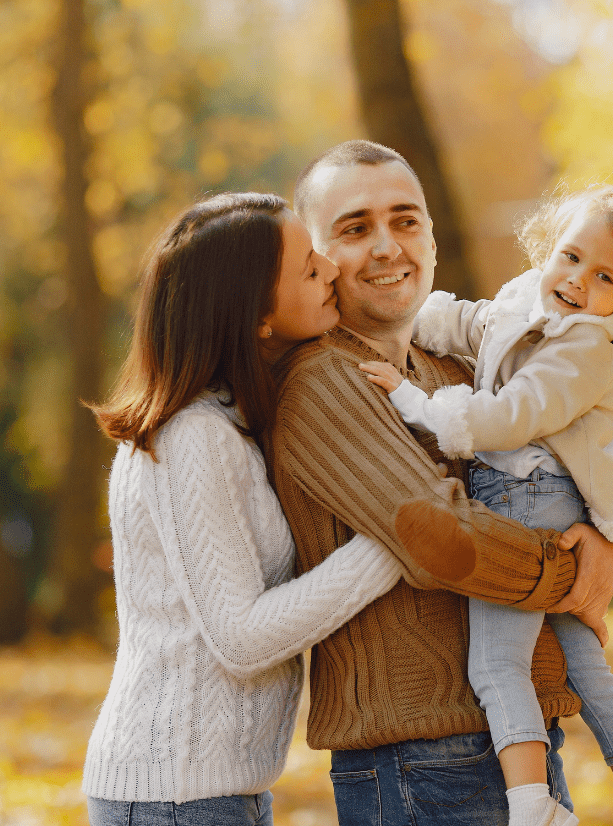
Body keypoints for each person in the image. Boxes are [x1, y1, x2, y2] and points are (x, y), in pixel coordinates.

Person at [268, 140, 613, 826]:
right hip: (418, 762)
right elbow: (446, 540)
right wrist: (575, 572)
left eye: (405, 221)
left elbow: (573, 470)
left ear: (431, 238)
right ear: (316, 259)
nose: (387, 246)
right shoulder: (325, 382)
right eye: (355, 228)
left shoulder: (456, 373)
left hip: (510, 743)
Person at [360, 184, 613, 826]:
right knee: (581, 663)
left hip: (529, 493)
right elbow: (471, 322)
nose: (576, 282)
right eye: (569, 257)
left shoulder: (588, 347)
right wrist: (404, 320)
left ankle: (532, 806)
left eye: (604, 277)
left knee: (495, 663)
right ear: (550, 245)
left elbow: (517, 414)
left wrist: (417, 403)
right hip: (539, 492)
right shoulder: (527, 297)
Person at [82, 192, 417, 826]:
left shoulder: (222, 424)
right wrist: (396, 541)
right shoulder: (193, 439)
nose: (331, 271)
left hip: (205, 790)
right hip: (176, 797)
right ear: (254, 314)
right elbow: (241, 636)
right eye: (308, 267)